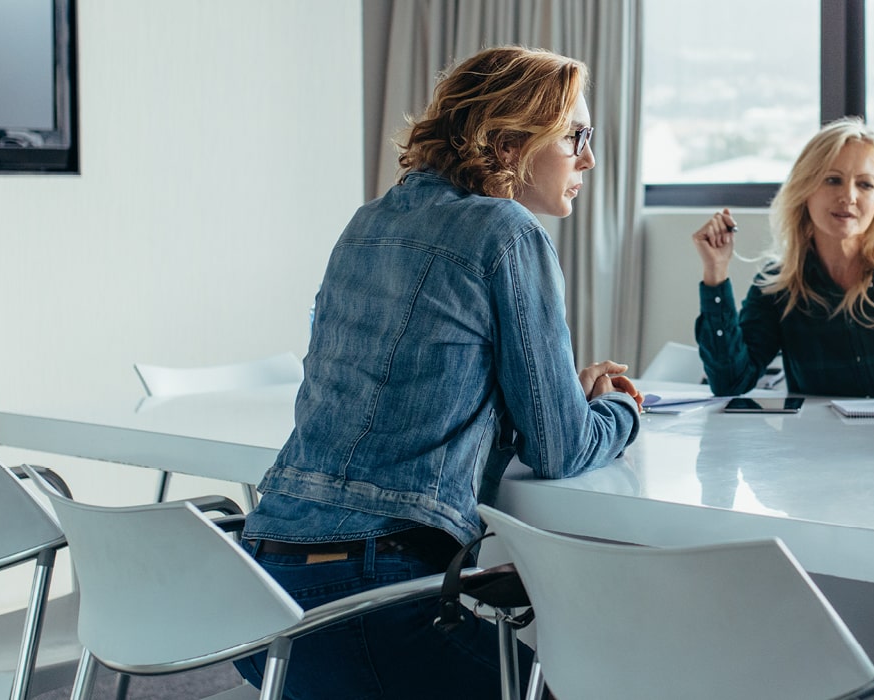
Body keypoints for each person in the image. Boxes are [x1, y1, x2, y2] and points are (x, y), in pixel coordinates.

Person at [233, 46, 641, 699]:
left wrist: (565, 390)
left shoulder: (369, 222)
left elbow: (414, 389)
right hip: (371, 598)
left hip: (261, 596)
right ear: (509, 142)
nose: (588, 158)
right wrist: (621, 410)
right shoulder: (506, 232)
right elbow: (562, 449)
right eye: (576, 136)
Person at [691, 117, 874, 400]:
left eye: (865, 184)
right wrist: (716, 272)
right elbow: (731, 382)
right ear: (805, 189)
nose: (848, 196)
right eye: (832, 180)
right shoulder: (777, 286)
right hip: (815, 444)